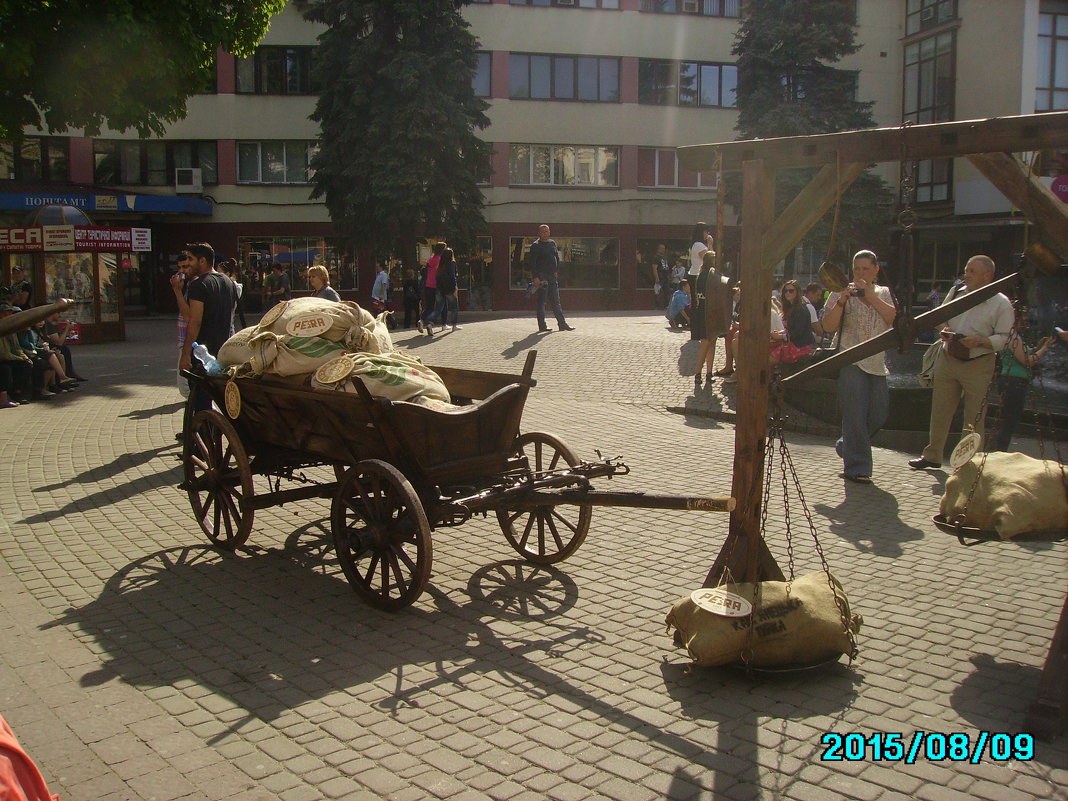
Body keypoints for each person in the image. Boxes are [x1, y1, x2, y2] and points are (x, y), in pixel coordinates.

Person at [909, 255, 1014, 470]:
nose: (966, 275)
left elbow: (1006, 338)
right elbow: (940, 317)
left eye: (972, 272)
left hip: (978, 362)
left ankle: (969, 464)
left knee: (974, 417)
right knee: (940, 409)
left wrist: (981, 341)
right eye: (966, 270)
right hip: (949, 356)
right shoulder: (956, 292)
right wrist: (945, 329)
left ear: (988, 276)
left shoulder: (1001, 303)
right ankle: (932, 455)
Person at [819, 250, 897, 484]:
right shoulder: (841, 292)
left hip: (876, 362)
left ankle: (847, 444)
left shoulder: (884, 293)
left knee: (878, 413)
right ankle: (858, 468)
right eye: (856, 269)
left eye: (865, 269)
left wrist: (872, 297)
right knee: (854, 414)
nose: (861, 273)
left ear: (875, 270)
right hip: (850, 359)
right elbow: (828, 326)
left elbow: (894, 319)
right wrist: (842, 300)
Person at [179, 243, 238, 413]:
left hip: (202, 355)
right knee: (221, 400)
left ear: (202, 261)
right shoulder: (228, 282)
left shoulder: (198, 286)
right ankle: (216, 433)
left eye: (190, 259)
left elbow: (194, 321)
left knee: (201, 403)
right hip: (224, 352)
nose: (187, 263)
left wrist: (185, 354)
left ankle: (204, 435)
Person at [993, 331, 1055, 451]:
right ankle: (1000, 450)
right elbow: (1028, 361)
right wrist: (1045, 349)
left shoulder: (1011, 337)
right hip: (1013, 382)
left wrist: (1039, 346)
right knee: (1009, 420)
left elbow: (1023, 354)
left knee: (1009, 419)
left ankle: (1000, 449)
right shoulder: (1012, 338)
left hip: (1011, 381)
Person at [690, 250, 731, 389]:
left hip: (704, 311)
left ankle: (708, 373)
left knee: (711, 342)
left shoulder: (702, 274)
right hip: (709, 313)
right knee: (707, 342)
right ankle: (698, 374)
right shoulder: (711, 276)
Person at [529, 224, 574, 332]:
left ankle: (562, 324)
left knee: (556, 301)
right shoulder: (535, 245)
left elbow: (556, 258)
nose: (545, 233)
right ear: (539, 233)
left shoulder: (552, 243)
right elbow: (532, 263)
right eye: (543, 231)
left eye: (547, 231)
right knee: (542, 302)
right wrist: (535, 277)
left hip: (552, 276)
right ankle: (542, 326)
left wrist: (556, 270)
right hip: (542, 276)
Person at [771, 279, 817, 363]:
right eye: (785, 291)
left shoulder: (800, 309)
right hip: (793, 344)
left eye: (791, 291)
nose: (787, 293)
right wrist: (780, 333)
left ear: (797, 292)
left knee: (767, 358)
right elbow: (790, 330)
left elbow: (797, 333)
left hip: (800, 347)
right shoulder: (790, 308)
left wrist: (780, 336)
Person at [419, 243, 445, 335]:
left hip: (428, 285)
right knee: (438, 307)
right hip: (437, 286)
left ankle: (421, 320)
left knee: (429, 307)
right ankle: (430, 324)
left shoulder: (431, 259)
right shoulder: (440, 260)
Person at [434, 248, 461, 332]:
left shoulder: (441, 265)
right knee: (454, 307)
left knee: (438, 308)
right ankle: (454, 326)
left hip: (440, 288)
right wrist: (455, 287)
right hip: (450, 288)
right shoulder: (452, 263)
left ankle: (429, 323)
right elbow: (452, 276)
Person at [651, 244, 671, 308]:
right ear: (658, 249)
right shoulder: (656, 257)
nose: (663, 250)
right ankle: (658, 305)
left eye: (664, 248)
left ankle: (666, 305)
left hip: (665, 277)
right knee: (658, 291)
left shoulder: (665, 257)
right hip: (660, 276)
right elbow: (654, 268)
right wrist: (657, 277)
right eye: (662, 248)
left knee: (667, 291)